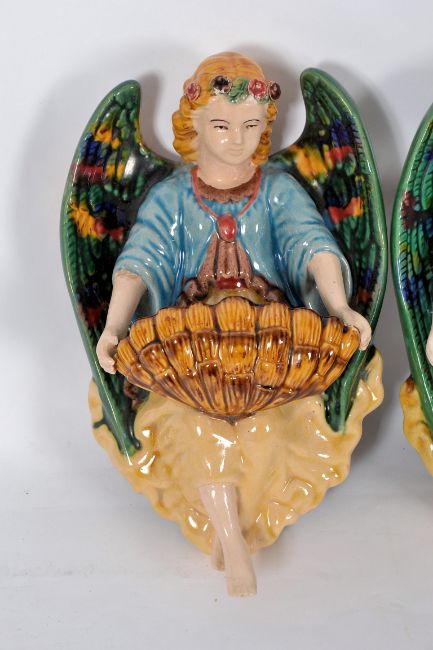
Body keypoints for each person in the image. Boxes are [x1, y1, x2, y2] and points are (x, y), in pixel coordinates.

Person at [96, 52, 372, 596]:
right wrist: (113, 326)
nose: (237, 139)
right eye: (222, 125)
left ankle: (235, 527)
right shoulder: (172, 196)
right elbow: (139, 261)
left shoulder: (278, 191)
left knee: (268, 424)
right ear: (194, 125)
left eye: (250, 125)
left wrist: (339, 307)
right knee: (196, 419)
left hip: (272, 341)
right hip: (189, 343)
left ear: (265, 125)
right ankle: (230, 535)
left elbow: (312, 244)